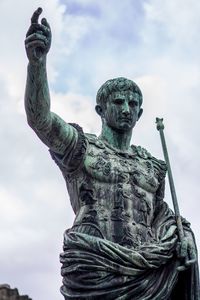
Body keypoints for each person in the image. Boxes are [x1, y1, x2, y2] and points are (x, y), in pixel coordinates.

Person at [24, 8, 199, 300]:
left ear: (140, 113)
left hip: (147, 272)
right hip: (95, 267)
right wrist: (37, 63)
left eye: (133, 104)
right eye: (118, 101)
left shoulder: (152, 167)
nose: (126, 108)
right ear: (101, 110)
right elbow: (40, 118)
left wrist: (185, 237)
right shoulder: (80, 148)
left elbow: (164, 219)